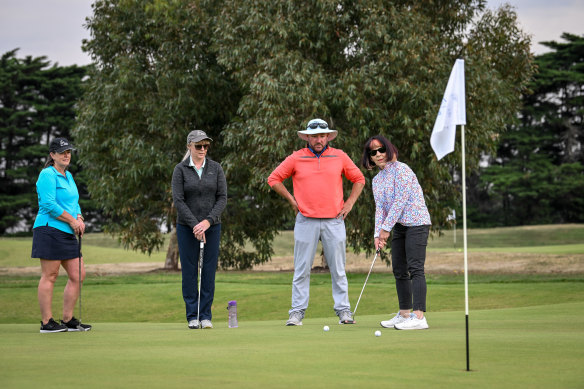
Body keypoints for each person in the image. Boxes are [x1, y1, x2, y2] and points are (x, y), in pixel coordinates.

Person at [268, 118, 365, 326]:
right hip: (306, 220)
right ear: (307, 137)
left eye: (322, 135)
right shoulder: (296, 158)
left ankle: (344, 311)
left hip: (334, 220)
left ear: (328, 136)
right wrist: (292, 200)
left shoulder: (340, 156)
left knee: (338, 269)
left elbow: (359, 179)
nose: (318, 139)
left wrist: (349, 203)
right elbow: (273, 179)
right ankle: (296, 312)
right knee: (301, 268)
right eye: (314, 136)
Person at [361, 135, 432, 330]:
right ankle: (404, 314)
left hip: (417, 223)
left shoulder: (402, 170)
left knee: (415, 268)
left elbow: (400, 202)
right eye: (373, 152)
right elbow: (380, 209)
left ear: (388, 149)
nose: (378, 154)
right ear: (370, 157)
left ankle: (419, 317)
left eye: (381, 149)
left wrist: (385, 229)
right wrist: (377, 234)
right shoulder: (377, 180)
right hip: (400, 226)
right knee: (399, 270)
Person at [31, 137, 91, 333]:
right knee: (50, 275)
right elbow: (48, 204)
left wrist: (79, 216)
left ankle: (67, 319)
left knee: (78, 274)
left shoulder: (68, 176)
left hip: (67, 231)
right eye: (62, 152)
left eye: (68, 152)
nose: (66, 155)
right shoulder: (47, 175)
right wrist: (72, 220)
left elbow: (73, 202)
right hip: (49, 229)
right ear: (52, 155)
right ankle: (47, 322)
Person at [172, 130, 227, 329]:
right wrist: (195, 224)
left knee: (208, 272)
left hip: (212, 227)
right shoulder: (180, 170)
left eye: (205, 146)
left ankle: (205, 315)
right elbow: (178, 200)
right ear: (189, 147)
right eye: (198, 146)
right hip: (187, 228)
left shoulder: (216, 168)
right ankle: (192, 316)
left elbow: (222, 198)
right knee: (189, 271)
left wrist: (208, 222)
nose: (202, 149)